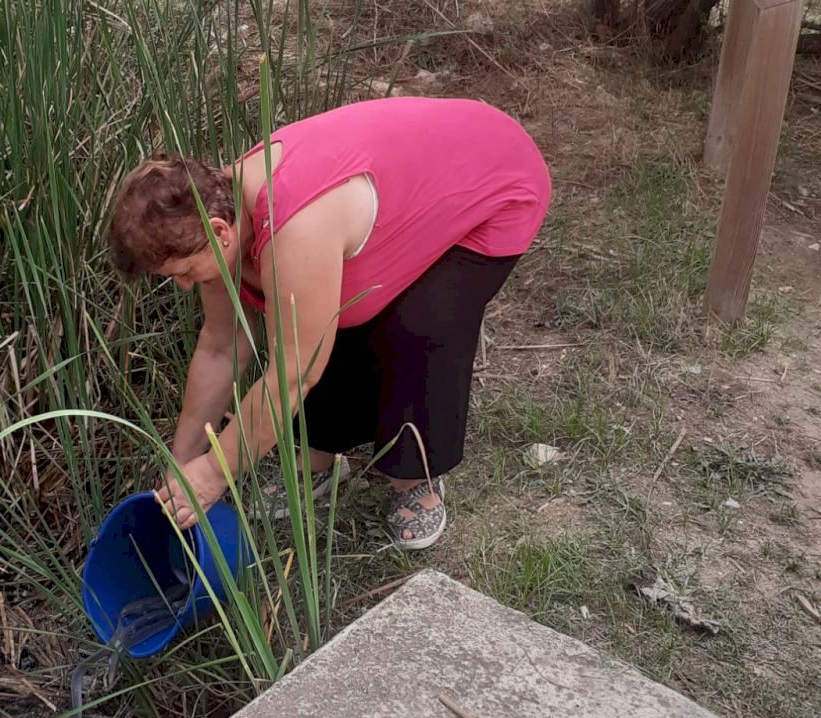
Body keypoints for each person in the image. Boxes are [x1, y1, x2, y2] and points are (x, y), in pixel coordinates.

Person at [107, 96, 550, 550]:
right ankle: (319, 456)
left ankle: (415, 478)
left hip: (493, 177)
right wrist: (183, 463)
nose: (184, 286)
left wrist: (214, 474)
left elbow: (294, 372)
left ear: (220, 232)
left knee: (416, 323)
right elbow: (222, 346)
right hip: (417, 173)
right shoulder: (207, 223)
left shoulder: (294, 226)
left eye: (182, 273)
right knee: (317, 313)